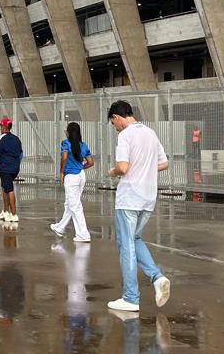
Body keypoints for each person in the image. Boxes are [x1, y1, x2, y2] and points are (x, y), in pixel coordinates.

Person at [104, 100, 172, 313]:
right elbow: (164, 163)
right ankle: (157, 277)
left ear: (117, 117)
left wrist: (112, 172)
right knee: (135, 239)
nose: (115, 127)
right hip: (148, 197)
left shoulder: (124, 136)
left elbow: (123, 167)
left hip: (129, 197)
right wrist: (144, 167)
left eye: (113, 123)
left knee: (126, 246)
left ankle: (131, 298)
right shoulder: (150, 133)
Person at [51, 121, 93, 242]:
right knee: (70, 203)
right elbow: (90, 162)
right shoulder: (83, 145)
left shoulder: (66, 143)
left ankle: (83, 234)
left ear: (68, 133)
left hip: (71, 177)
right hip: (81, 175)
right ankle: (60, 227)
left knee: (75, 205)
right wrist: (80, 167)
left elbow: (64, 157)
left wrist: (61, 172)